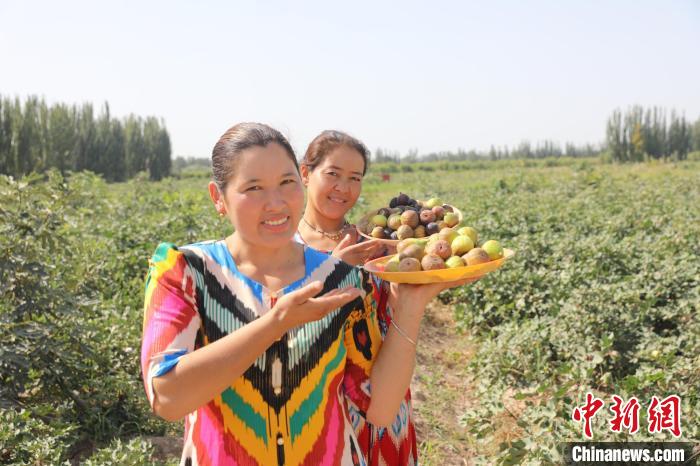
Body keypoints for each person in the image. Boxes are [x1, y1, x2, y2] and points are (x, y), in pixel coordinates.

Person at [141, 122, 475, 466]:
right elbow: (167, 397)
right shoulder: (186, 272)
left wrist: (410, 305)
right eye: (253, 187)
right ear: (218, 198)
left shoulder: (342, 278)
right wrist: (275, 323)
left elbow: (379, 409)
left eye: (286, 183)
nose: (276, 203)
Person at [296, 130, 416, 465]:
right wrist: (332, 269)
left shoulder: (371, 240)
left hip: (383, 392)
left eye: (355, 178)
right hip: (318, 402)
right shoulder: (282, 248)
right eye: (332, 174)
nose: (344, 189)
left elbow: (390, 315)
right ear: (306, 173)